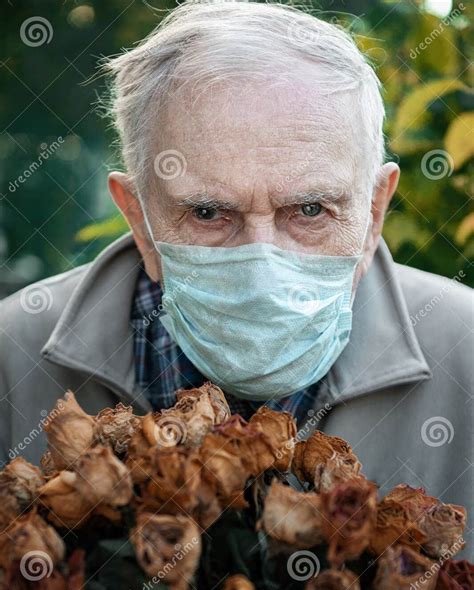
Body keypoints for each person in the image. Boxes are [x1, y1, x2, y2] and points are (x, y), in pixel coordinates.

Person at [0, 2, 472, 537]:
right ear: (138, 217)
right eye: (207, 213)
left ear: (373, 213)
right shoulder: (9, 360)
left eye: (311, 210)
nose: (261, 272)